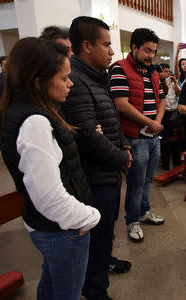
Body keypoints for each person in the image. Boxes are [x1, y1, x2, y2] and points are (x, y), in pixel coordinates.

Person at [0, 37, 100, 300]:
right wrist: (90, 216)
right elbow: (49, 198)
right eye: (64, 78)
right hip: (61, 231)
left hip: (49, 227)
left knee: (53, 285)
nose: (71, 83)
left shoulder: (29, 109)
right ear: (38, 81)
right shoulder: (34, 121)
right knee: (67, 293)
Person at [61, 16, 132, 300]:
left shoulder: (96, 77)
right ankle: (95, 292)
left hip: (108, 173)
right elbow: (89, 136)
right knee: (98, 241)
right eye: (107, 45)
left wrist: (123, 146)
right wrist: (122, 159)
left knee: (105, 238)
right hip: (96, 178)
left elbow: (112, 119)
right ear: (87, 46)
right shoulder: (77, 81)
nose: (112, 52)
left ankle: (98, 280)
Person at [109, 28, 165, 244]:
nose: (151, 55)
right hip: (135, 137)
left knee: (148, 180)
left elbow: (161, 99)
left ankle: (144, 212)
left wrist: (157, 123)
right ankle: (132, 221)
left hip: (153, 136)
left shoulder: (152, 71)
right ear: (134, 48)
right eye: (147, 50)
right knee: (135, 183)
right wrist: (150, 122)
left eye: (154, 51)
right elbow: (121, 105)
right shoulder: (119, 69)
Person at [158, 63, 182, 170]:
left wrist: (175, 82)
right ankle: (165, 165)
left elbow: (178, 94)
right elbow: (163, 93)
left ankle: (177, 163)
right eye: (165, 71)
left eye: (168, 71)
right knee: (165, 141)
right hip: (165, 113)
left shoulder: (172, 81)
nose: (167, 73)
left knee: (176, 139)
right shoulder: (158, 82)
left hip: (175, 112)